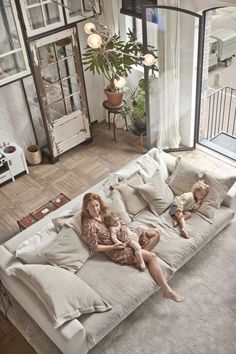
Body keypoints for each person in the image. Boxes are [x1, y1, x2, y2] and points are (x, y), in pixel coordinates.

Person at [81, 192, 184, 302]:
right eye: (92, 206)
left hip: (126, 237)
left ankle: (138, 256)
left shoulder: (103, 211)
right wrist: (113, 246)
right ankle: (167, 290)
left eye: (96, 205)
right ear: (86, 207)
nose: (95, 209)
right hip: (117, 249)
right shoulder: (89, 225)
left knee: (156, 233)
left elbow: (118, 219)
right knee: (152, 257)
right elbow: (94, 247)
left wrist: (124, 227)